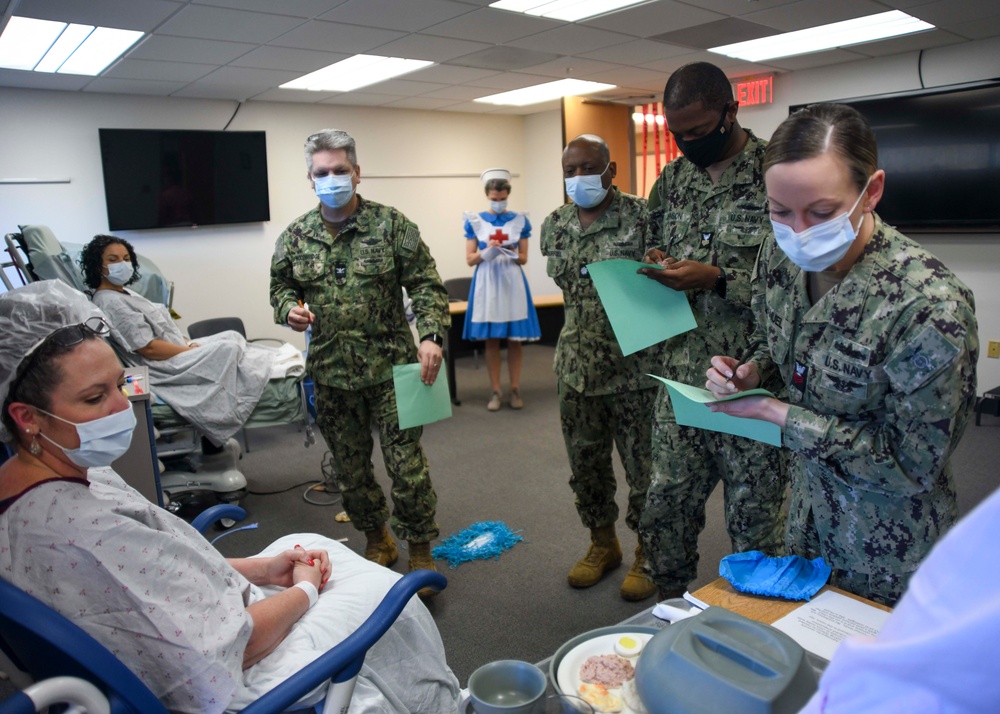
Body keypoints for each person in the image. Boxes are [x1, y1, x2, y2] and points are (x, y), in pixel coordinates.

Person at [0, 281, 462, 714]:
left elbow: (159, 569)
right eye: (94, 397)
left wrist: (262, 569)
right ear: (27, 417)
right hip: (235, 673)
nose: (123, 408)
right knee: (386, 593)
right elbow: (229, 649)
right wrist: (304, 589)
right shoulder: (82, 534)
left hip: (201, 621)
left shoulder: (61, 482)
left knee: (297, 541)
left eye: (121, 385)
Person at [706, 103, 978, 606]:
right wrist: (751, 372)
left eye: (823, 212)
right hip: (806, 515)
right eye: (779, 211)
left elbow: (910, 463)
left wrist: (777, 414)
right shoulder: (778, 259)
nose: (798, 231)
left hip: (891, 548)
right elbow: (776, 342)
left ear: (870, 191)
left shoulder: (927, 307)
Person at [269, 129, 450, 597]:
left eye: (340, 171)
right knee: (350, 471)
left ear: (357, 172)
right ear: (310, 179)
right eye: (322, 173)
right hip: (331, 374)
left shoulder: (391, 225)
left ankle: (421, 550)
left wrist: (431, 335)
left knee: (407, 467)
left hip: (395, 370)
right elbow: (280, 288)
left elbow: (427, 284)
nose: (332, 179)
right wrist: (287, 308)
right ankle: (378, 539)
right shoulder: (296, 236)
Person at [637, 61, 788, 601]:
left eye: (698, 131)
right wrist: (657, 260)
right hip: (681, 379)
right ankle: (667, 613)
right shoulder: (673, 179)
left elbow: (800, 282)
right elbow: (652, 242)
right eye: (676, 133)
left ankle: (757, 632)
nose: (686, 143)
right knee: (665, 511)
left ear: (731, 111)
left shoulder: (777, 171)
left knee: (757, 525)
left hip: (751, 379)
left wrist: (720, 279)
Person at [539, 134, 660, 602]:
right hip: (576, 368)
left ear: (610, 171)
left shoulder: (642, 216)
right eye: (570, 170)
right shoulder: (555, 224)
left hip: (633, 368)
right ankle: (602, 544)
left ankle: (647, 552)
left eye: (588, 168)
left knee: (643, 470)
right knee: (586, 466)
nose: (578, 178)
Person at [80, 234, 276, 449]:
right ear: (98, 266)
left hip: (176, 350)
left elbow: (165, 328)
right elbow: (149, 348)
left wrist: (189, 344)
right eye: (113, 259)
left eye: (126, 258)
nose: (122, 264)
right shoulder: (110, 301)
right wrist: (186, 350)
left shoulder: (124, 294)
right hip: (163, 366)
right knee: (227, 348)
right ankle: (271, 373)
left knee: (231, 336)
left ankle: (266, 365)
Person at [463, 168, 542, 411]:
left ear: (508, 194)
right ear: (487, 195)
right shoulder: (475, 221)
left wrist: (511, 251)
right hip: (487, 281)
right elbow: (470, 259)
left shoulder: (520, 220)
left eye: (502, 198)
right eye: (494, 199)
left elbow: (524, 258)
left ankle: (515, 389)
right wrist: (488, 251)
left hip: (511, 280)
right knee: (492, 339)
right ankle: (495, 390)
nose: (498, 203)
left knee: (514, 339)